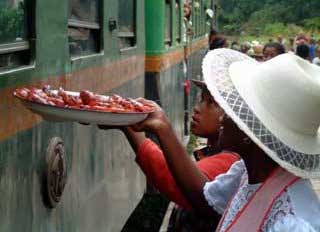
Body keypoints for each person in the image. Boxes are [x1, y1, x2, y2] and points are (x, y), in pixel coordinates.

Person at [114, 48, 320, 231]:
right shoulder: (246, 174)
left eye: (233, 112)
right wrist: (162, 126)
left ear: (251, 133)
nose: (223, 116)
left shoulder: (291, 223)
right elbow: (204, 199)